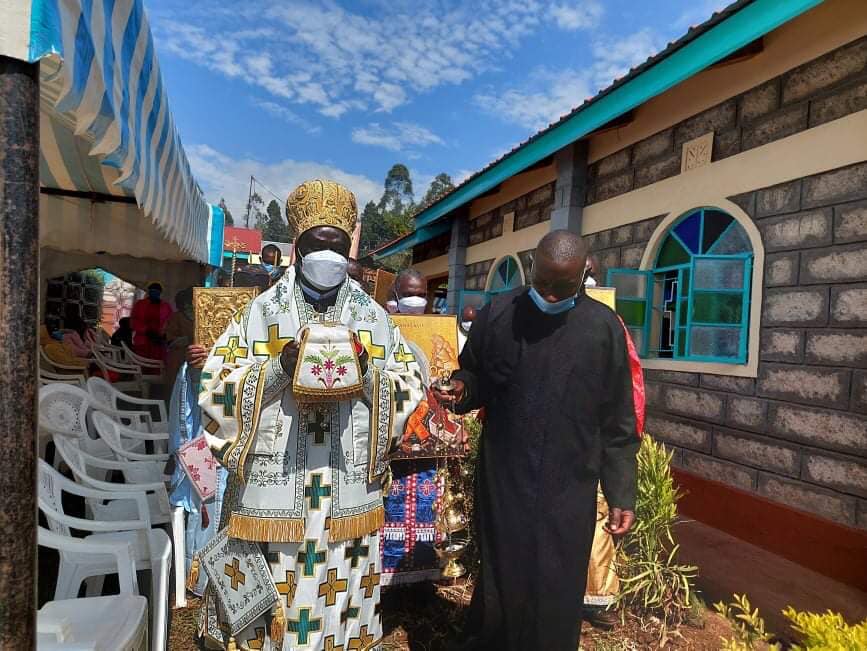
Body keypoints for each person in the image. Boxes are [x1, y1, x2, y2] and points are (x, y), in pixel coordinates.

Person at [195, 179, 423, 650]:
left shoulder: (373, 316)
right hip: (275, 488)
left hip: (346, 490)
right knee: (275, 610)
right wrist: (278, 368)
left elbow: (409, 386)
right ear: (297, 248)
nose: (329, 255)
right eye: (318, 245)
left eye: (338, 246)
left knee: (337, 601)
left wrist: (367, 373)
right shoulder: (261, 312)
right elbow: (215, 388)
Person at [433, 230, 639, 651]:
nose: (547, 292)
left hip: (570, 483)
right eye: (541, 281)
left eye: (560, 286)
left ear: (583, 276)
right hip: (504, 475)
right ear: (531, 267)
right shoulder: (499, 314)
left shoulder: (603, 329)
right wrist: (460, 390)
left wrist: (621, 491)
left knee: (557, 581)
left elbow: (618, 419)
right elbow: (474, 376)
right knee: (501, 572)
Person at [131, 281, 173, 361]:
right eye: (152, 291)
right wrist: (146, 331)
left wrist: (164, 335)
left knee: (157, 365)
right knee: (141, 363)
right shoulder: (140, 304)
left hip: (159, 342)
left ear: (160, 293)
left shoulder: (166, 306)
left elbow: (170, 323)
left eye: (156, 292)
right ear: (148, 292)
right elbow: (133, 322)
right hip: (142, 341)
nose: (154, 293)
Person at [164, 288, 195, 389]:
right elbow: (169, 339)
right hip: (178, 358)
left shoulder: (203, 316)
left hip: (196, 357)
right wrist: (184, 340)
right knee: (177, 388)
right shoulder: (176, 317)